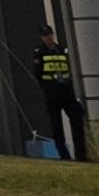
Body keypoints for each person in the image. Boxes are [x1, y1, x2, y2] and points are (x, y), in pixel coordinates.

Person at [36, 24, 89, 159]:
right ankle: (64, 156)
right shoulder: (39, 52)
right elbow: (38, 74)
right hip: (52, 93)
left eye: (49, 35)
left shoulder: (62, 50)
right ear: (42, 38)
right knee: (57, 126)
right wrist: (48, 88)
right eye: (45, 36)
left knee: (77, 118)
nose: (48, 38)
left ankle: (81, 155)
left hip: (66, 92)